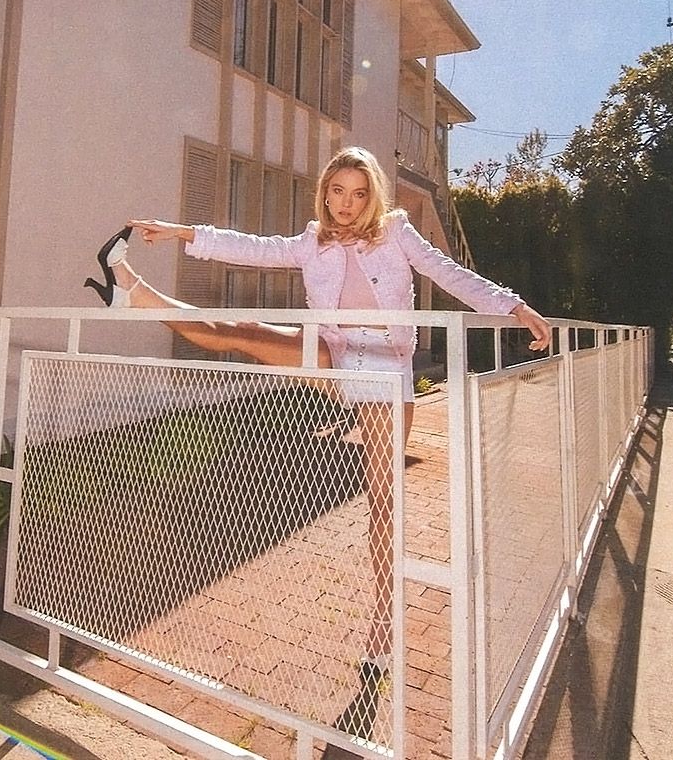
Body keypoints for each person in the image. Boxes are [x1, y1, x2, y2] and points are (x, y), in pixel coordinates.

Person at [84, 146, 551, 680]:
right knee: (244, 332)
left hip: (387, 370)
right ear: (325, 194)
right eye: (337, 192)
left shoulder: (396, 232)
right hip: (335, 354)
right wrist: (182, 232)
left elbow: (451, 274)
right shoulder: (313, 242)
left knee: (384, 503)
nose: (347, 204)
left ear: (372, 197)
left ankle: (382, 624)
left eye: (358, 194)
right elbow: (252, 248)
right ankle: (132, 290)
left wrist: (513, 305)